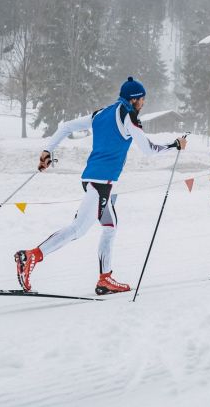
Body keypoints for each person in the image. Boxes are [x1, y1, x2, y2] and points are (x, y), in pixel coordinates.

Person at [14, 77, 187, 295]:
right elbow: (149, 150)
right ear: (133, 100)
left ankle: (105, 279)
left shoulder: (101, 113)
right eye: (142, 99)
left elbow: (67, 126)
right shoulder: (128, 116)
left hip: (93, 179)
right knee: (78, 228)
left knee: (110, 226)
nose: (143, 103)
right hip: (101, 182)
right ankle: (30, 257)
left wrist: (48, 150)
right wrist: (175, 145)